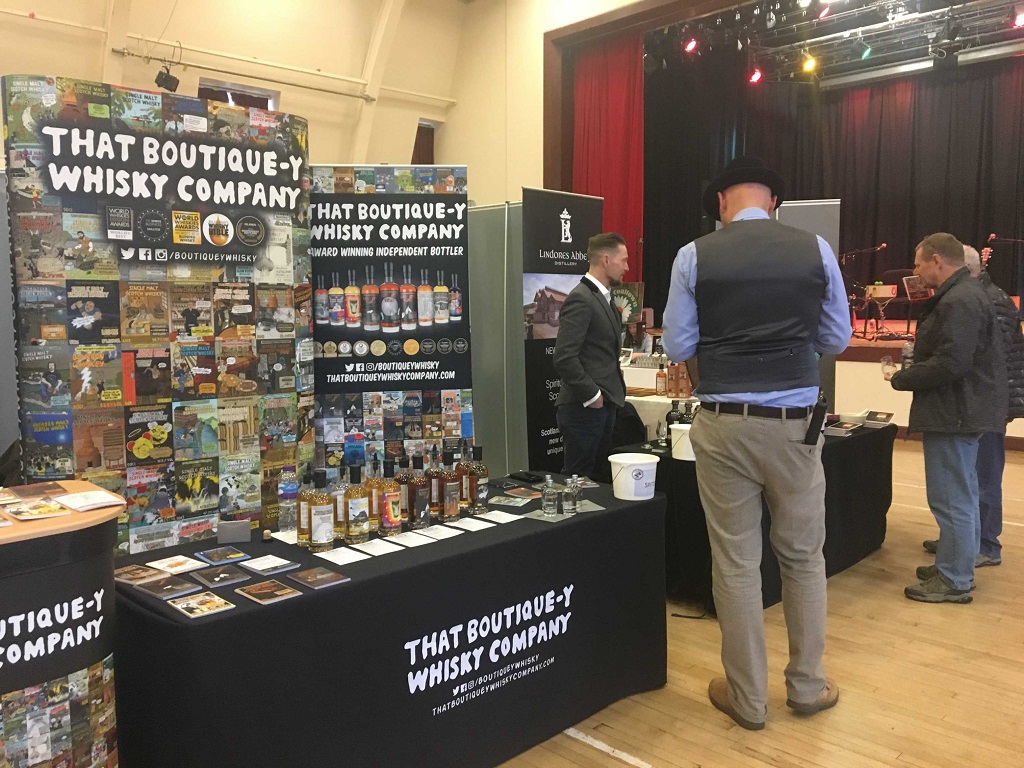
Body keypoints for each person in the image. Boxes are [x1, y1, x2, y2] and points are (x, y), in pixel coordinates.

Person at [661, 156, 851, 730]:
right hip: (795, 425)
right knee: (802, 557)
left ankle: (748, 699)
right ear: (773, 202)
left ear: (722, 204)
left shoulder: (694, 255)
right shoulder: (814, 250)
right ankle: (808, 687)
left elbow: (676, 344)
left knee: (737, 563)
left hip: (721, 423)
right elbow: (837, 336)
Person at [886, 234, 1006, 603]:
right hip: (959, 410)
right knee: (962, 494)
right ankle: (955, 564)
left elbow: (953, 362)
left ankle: (955, 578)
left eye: (919, 263)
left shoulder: (960, 299)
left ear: (937, 260)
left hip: (954, 412)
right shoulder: (965, 294)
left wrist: (904, 378)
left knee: (951, 497)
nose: (916, 271)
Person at [918, 244, 1022, 568]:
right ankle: (961, 542)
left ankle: (986, 546)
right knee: (968, 478)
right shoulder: (981, 296)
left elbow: (995, 359)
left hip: (987, 402)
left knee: (983, 476)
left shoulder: (985, 299)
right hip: (985, 400)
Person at [553, 232, 629, 480]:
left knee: (598, 482)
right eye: (624, 261)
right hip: (584, 408)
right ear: (606, 260)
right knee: (578, 480)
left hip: (603, 405)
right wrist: (592, 395)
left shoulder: (602, 298)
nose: (627, 268)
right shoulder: (581, 299)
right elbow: (564, 357)